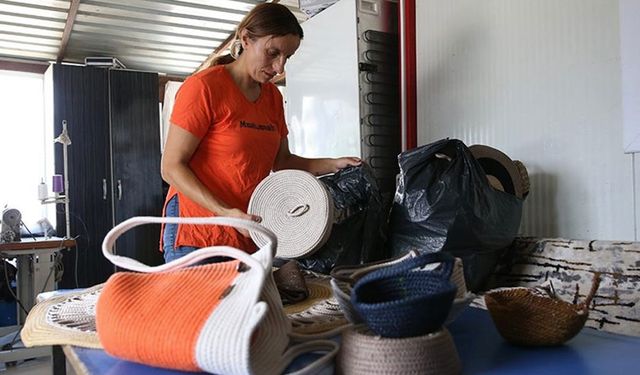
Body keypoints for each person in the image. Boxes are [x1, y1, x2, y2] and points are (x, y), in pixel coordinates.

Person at [160, 3, 361, 263]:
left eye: (286, 57)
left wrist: (334, 164)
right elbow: (171, 167)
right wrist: (224, 212)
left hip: (247, 229)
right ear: (246, 39)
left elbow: (283, 162)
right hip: (199, 232)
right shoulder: (204, 88)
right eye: (272, 53)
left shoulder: (272, 98)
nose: (279, 68)